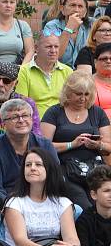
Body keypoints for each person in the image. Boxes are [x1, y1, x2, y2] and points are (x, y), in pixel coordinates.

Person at [41, 70, 111, 210]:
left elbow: (109, 147)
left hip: (95, 170)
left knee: (102, 206)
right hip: (65, 169)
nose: (83, 99)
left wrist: (98, 145)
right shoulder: (54, 112)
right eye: (78, 94)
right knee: (85, 207)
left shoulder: (97, 112)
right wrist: (71, 144)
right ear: (68, 92)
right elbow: (43, 147)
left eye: (87, 94)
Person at [0, 98, 59, 204]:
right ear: (3, 124)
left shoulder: (45, 145)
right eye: (15, 117)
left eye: (25, 115)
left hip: (43, 201)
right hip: (10, 203)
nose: (21, 120)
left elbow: (56, 178)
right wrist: (13, 206)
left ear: (31, 119)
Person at [16, 33, 73, 117]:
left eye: (56, 47)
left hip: (63, 122)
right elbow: (22, 105)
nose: (53, 51)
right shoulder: (23, 72)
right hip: (36, 122)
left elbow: (72, 102)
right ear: (36, 48)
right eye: (49, 47)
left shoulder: (68, 71)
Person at [44, 0, 94, 68]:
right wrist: (69, 28)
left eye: (80, 6)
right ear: (62, 9)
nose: (76, 10)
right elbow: (54, 56)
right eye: (72, 5)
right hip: (59, 73)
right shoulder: (51, 26)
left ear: (85, 12)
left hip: (86, 73)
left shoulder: (92, 24)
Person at [95, 43, 111, 117]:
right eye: (104, 58)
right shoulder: (87, 82)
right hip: (98, 124)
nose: (108, 61)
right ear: (95, 62)